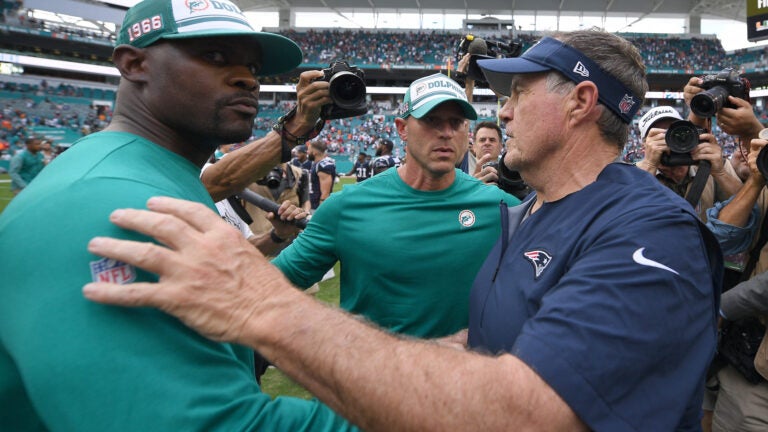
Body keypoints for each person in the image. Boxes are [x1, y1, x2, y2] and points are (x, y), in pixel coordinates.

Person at [82, 30, 722, 431]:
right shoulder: (532, 211)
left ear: (581, 103)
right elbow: (493, 341)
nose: (501, 109)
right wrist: (380, 387)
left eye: (519, 92)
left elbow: (526, 410)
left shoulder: (650, 233)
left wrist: (264, 308)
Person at [0, 0, 356, 430]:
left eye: (253, 66)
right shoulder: (108, 205)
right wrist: (435, 402)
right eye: (215, 56)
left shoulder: (150, 170)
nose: (247, 78)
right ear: (134, 64)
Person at [271, 73, 519, 339]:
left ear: (466, 132)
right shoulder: (347, 207)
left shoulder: (503, 209)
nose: (446, 133)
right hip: (369, 377)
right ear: (402, 128)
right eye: (431, 120)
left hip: (464, 378)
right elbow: (270, 286)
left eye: (456, 122)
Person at [634, 105, 742, 222]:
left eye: (674, 133)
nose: (669, 140)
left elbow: (747, 209)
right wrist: (650, 165)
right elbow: (626, 215)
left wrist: (720, 173)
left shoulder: (709, 167)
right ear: (644, 145)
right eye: (659, 136)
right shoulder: (632, 174)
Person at [307, 140, 335, 210]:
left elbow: (325, 192)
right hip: (312, 203)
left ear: (314, 152)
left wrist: (321, 209)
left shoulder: (322, 166)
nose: (307, 152)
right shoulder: (316, 164)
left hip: (317, 206)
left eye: (309, 150)